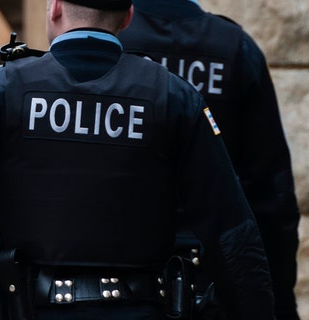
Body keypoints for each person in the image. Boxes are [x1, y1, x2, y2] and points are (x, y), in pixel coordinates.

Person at [0, 0, 276, 319]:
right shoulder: (174, 96)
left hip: (29, 306)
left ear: (55, 8)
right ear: (127, 17)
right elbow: (234, 238)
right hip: (141, 307)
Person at [118, 1, 301, 319]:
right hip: (211, 282)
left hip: (122, 282)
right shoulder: (234, 48)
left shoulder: (112, 40)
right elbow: (272, 197)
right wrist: (280, 304)